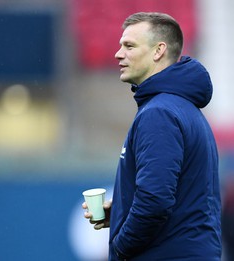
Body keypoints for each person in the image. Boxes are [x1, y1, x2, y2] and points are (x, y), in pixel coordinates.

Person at [83, 12, 222, 260]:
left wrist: (121, 247)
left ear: (158, 51)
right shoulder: (184, 108)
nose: (118, 54)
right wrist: (120, 211)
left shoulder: (159, 113)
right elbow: (180, 197)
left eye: (129, 46)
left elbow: (155, 201)